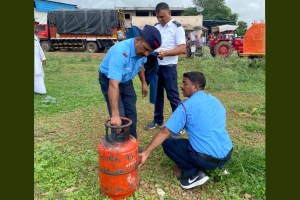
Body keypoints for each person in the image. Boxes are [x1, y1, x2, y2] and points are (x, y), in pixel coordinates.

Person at [139, 71, 233, 189]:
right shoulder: (215, 100)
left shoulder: (186, 106)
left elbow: (165, 132)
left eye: (185, 83)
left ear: (196, 87)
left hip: (206, 160)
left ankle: (193, 174)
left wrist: (146, 152)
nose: (181, 86)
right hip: (227, 154)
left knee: (168, 143)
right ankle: (220, 167)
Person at [98, 25, 162, 142]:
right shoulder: (121, 52)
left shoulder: (142, 53)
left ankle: (131, 145)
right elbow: (113, 85)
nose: (147, 54)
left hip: (126, 80)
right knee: (119, 117)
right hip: (109, 80)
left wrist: (143, 83)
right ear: (138, 40)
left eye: (150, 51)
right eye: (146, 49)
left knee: (131, 113)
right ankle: (118, 147)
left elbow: (140, 66)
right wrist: (115, 114)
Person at [145, 2, 186, 131]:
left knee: (173, 96)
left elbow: (182, 48)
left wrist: (166, 53)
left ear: (169, 13)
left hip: (169, 67)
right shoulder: (156, 27)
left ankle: (179, 124)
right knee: (157, 95)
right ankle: (158, 120)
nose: (160, 20)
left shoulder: (177, 27)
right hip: (156, 66)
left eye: (162, 17)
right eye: (158, 17)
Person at [34, 23, 47, 95]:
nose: (35, 27)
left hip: (36, 60)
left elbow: (39, 48)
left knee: (37, 73)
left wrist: (43, 58)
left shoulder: (35, 37)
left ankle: (39, 90)